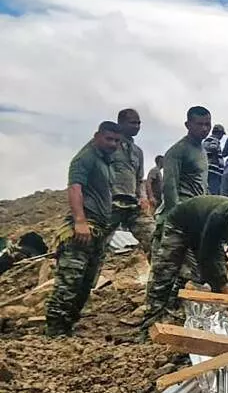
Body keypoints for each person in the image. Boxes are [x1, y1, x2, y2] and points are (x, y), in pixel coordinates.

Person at [142, 197, 228, 327]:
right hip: (180, 224)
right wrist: (223, 286)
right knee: (166, 271)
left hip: (203, 230)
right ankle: (151, 320)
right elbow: (207, 254)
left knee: (197, 276)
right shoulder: (221, 216)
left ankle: (173, 305)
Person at [44, 121, 122, 336]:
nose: (113, 144)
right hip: (81, 230)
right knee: (70, 282)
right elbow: (75, 188)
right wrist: (80, 221)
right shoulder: (85, 158)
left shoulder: (105, 162)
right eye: (109, 139)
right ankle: (55, 330)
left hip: (97, 230)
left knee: (86, 283)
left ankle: (66, 327)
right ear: (97, 136)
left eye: (116, 140)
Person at [111, 108, 153, 250]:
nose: (136, 127)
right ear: (120, 123)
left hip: (132, 203)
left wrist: (143, 197)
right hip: (110, 203)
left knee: (154, 240)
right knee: (96, 246)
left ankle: (162, 271)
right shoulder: (110, 146)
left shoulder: (137, 151)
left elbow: (140, 178)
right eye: (132, 123)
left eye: (138, 123)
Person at [161, 106, 212, 215]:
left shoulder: (202, 150)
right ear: (188, 125)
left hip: (198, 207)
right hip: (182, 207)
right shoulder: (178, 150)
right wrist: (175, 214)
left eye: (207, 124)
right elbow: (169, 185)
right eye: (199, 124)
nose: (204, 129)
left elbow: (203, 183)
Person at [202, 123, 225, 196]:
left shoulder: (206, 141)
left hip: (208, 168)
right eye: (221, 134)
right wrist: (215, 159)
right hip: (214, 170)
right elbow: (213, 147)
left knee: (208, 189)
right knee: (214, 191)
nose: (221, 136)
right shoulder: (214, 140)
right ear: (219, 133)